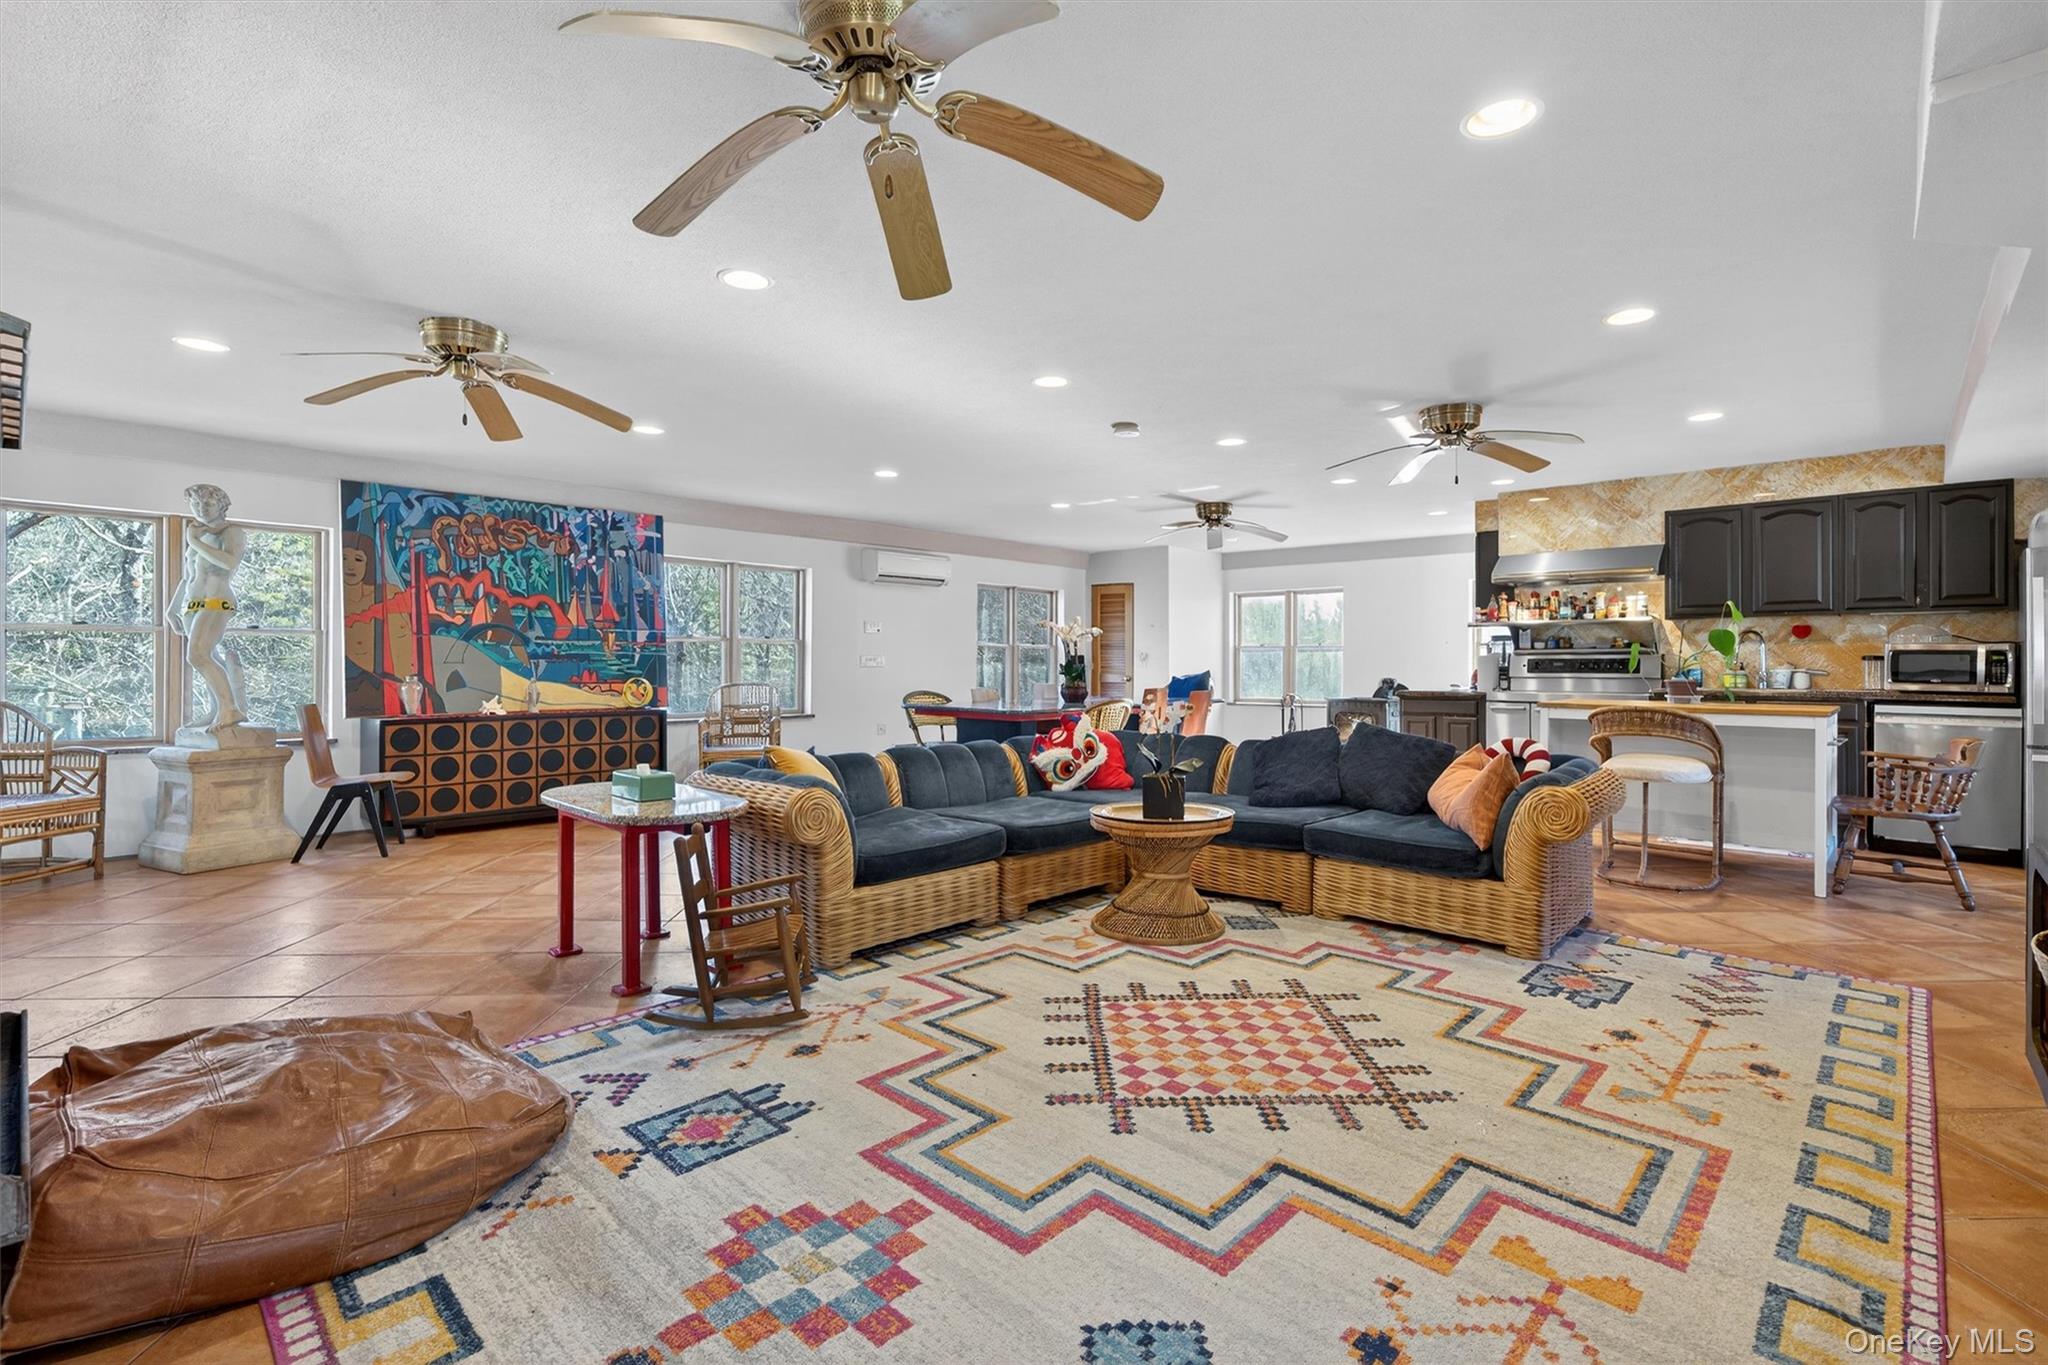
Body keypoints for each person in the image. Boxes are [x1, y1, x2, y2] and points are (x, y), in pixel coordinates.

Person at [166, 483, 249, 730]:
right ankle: (218, 710)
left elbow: (229, 562)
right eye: (196, 503)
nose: (201, 508)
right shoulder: (199, 534)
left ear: (221, 505)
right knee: (208, 656)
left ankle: (230, 709)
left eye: (208, 503)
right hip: (192, 603)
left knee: (198, 655)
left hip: (217, 599)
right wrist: (172, 608)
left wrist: (194, 541)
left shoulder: (231, 532)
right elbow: (188, 576)